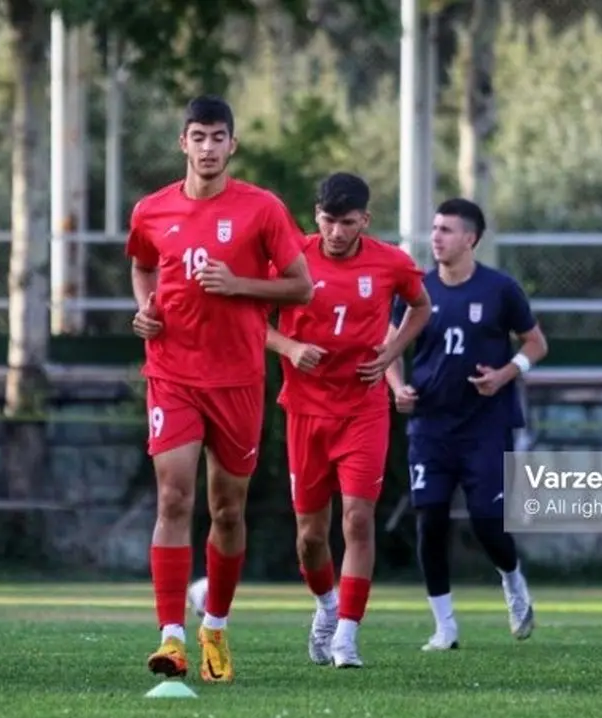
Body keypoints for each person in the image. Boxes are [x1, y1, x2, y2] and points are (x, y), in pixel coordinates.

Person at [126, 94, 313, 683]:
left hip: (237, 378)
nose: (208, 148)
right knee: (174, 498)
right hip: (172, 372)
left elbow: (301, 288)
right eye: (197, 137)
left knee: (226, 510)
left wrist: (240, 284)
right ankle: (171, 639)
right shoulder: (151, 210)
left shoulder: (261, 210)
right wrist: (144, 311)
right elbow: (141, 265)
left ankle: (216, 629)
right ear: (182, 143)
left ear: (233, 145)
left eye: (218, 138)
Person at [266, 173, 431, 668]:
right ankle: (325, 607)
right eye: (329, 221)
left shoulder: (390, 262)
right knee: (310, 537)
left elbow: (421, 307)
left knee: (357, 520)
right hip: (305, 410)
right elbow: (250, 322)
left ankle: (347, 637)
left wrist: (390, 352)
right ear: (316, 216)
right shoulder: (291, 257)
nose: (337, 232)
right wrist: (290, 347)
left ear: (366, 220)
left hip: (362, 409)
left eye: (348, 222)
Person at [384, 197, 547, 652]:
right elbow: (388, 350)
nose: (436, 237)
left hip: (486, 426)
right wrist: (397, 388)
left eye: (447, 230)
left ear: (471, 238)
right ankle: (445, 626)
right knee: (429, 521)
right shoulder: (416, 291)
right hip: (431, 428)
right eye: (434, 228)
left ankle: (513, 583)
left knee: (488, 523)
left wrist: (506, 373)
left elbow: (536, 344)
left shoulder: (500, 289)